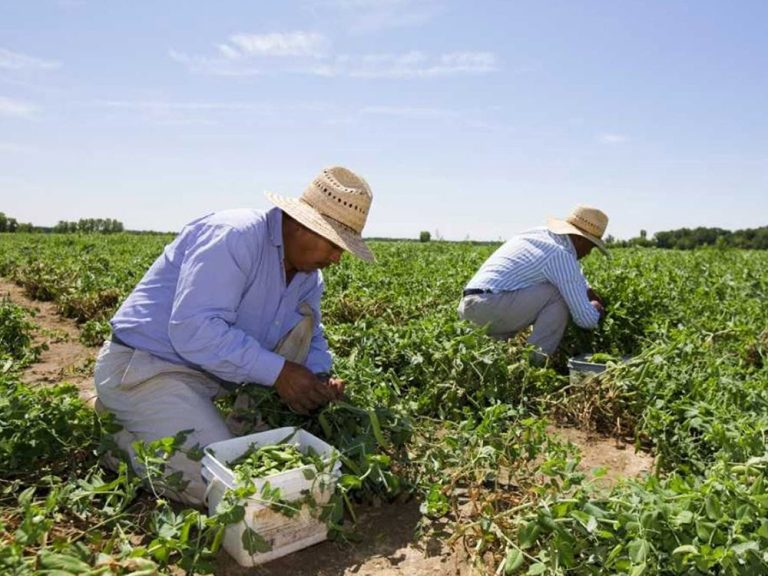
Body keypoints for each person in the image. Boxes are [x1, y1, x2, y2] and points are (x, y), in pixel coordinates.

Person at [93, 166, 374, 505]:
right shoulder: (235, 236)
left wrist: (321, 375)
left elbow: (312, 336)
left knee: (250, 462)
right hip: (148, 370)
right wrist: (280, 373)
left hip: (212, 380)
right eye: (333, 244)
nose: (337, 257)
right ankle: (118, 441)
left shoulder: (307, 276)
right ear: (302, 225)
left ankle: (192, 424)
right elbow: (193, 329)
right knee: (220, 486)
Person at [457, 205, 609, 359]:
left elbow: (573, 274)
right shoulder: (560, 254)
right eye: (590, 246)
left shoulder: (543, 236)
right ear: (579, 238)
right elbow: (586, 320)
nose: (588, 253)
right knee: (558, 294)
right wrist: (595, 308)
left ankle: (510, 362)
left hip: (474, 305)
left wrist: (588, 290)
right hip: (489, 307)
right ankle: (534, 363)